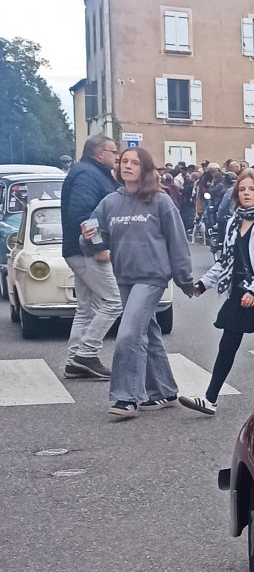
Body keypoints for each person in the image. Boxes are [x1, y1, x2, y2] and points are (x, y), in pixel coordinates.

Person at [86, 148, 193, 420]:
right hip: (124, 276)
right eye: (124, 161)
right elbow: (96, 243)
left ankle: (126, 397)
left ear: (145, 168)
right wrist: (88, 237)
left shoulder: (160, 201)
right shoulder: (109, 202)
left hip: (152, 277)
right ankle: (165, 391)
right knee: (149, 331)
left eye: (134, 162)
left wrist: (184, 279)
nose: (128, 166)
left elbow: (178, 241)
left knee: (129, 334)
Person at [179, 170, 254, 416]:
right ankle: (210, 399)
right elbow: (226, 260)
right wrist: (202, 284)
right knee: (228, 344)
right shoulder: (233, 222)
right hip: (238, 292)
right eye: (242, 190)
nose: (246, 194)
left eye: (252, 189)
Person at [59, 133, 122, 380]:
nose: (116, 157)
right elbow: (82, 214)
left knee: (85, 309)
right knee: (114, 301)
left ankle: (74, 362)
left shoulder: (88, 172)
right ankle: (86, 353)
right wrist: (99, 247)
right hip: (87, 252)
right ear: (100, 153)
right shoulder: (88, 175)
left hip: (77, 250)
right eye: (113, 152)